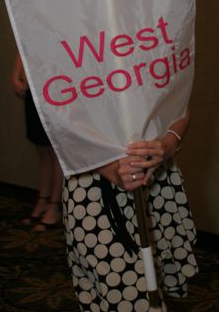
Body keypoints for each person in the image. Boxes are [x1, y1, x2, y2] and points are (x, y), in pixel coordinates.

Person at [64, 109, 198, 311]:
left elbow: (180, 103)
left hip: (156, 175)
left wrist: (168, 145)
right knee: (125, 292)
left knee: (155, 277)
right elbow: (59, 120)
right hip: (93, 186)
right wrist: (112, 171)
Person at [12, 53, 63, 230]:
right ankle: (42, 201)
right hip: (33, 84)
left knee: (55, 149)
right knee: (42, 148)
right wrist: (16, 75)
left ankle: (54, 206)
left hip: (56, 84)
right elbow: (22, 43)